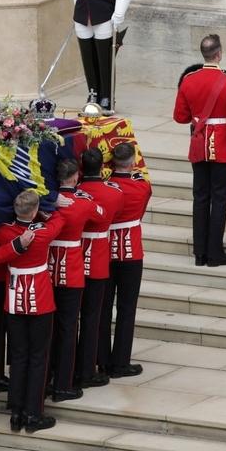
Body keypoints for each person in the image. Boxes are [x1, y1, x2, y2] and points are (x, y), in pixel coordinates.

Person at [0, 190, 64, 433]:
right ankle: (33, 413)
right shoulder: (41, 232)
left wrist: (14, 246)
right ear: (33, 210)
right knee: (38, 357)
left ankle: (16, 411)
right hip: (39, 300)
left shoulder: (5, 232)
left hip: (14, 300)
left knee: (19, 356)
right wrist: (43, 213)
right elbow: (60, 220)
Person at [173, 34, 226, 267]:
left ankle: (200, 253)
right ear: (219, 53)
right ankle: (215, 253)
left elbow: (180, 117)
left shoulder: (189, 79)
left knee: (200, 198)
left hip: (198, 144)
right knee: (220, 199)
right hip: (221, 145)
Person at [48, 158, 104, 401]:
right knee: (69, 328)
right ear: (74, 178)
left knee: (49, 328)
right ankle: (63, 383)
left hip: (47, 269)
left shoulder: (47, 202)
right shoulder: (82, 202)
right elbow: (100, 215)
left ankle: (49, 377)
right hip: (70, 268)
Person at [99, 142, 151, 378]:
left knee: (103, 307)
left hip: (106, 251)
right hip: (131, 253)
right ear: (131, 162)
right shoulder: (141, 186)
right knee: (126, 308)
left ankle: (101, 358)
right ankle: (120, 362)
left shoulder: (106, 188)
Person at [76, 147, 123, 388]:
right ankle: (88, 367)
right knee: (93, 317)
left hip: (74, 256)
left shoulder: (76, 192)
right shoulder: (113, 193)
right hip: (96, 258)